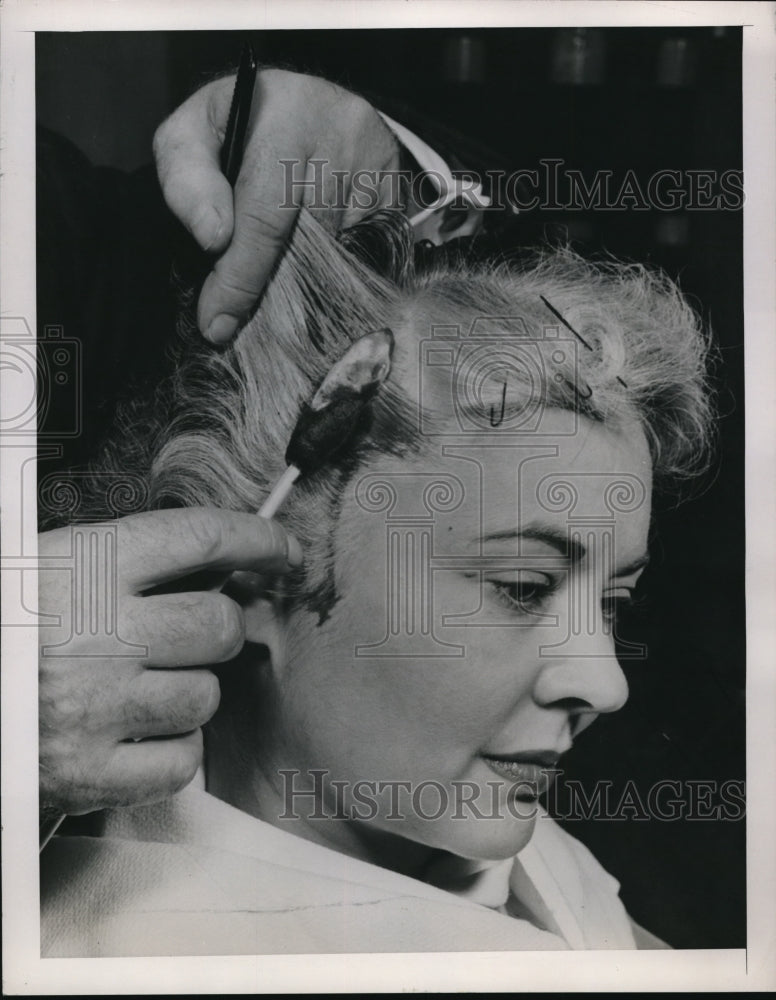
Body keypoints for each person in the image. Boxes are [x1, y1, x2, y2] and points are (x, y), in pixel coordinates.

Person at [40, 199, 711, 954]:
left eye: (613, 601)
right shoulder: (131, 953)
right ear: (255, 579)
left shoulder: (546, 884)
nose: (606, 683)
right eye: (524, 586)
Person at [38, 68, 498, 827]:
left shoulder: (49, 220)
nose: (607, 684)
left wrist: (388, 177)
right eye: (520, 585)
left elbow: (169, 277)